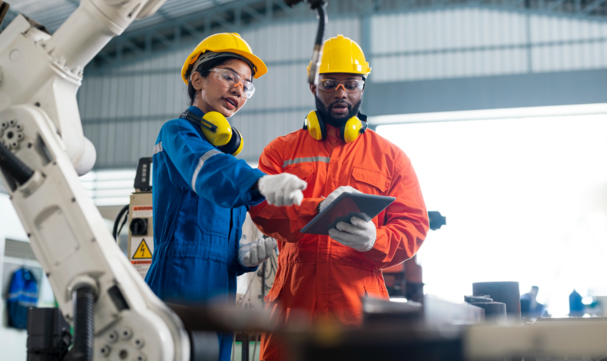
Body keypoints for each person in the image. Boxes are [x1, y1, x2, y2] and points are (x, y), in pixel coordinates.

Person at [249, 35, 430, 361]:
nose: (341, 92)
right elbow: (261, 209)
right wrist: (314, 210)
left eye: (350, 83)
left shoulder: (390, 157)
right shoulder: (281, 152)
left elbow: (414, 224)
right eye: (330, 84)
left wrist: (377, 239)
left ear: (363, 88)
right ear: (313, 88)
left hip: (358, 309)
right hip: (295, 305)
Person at [145, 33, 307, 361]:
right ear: (197, 79)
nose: (238, 89)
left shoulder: (225, 158)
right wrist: (261, 182)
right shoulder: (177, 134)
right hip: (179, 279)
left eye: (246, 85)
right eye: (229, 76)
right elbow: (206, 173)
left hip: (221, 284)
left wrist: (238, 258)